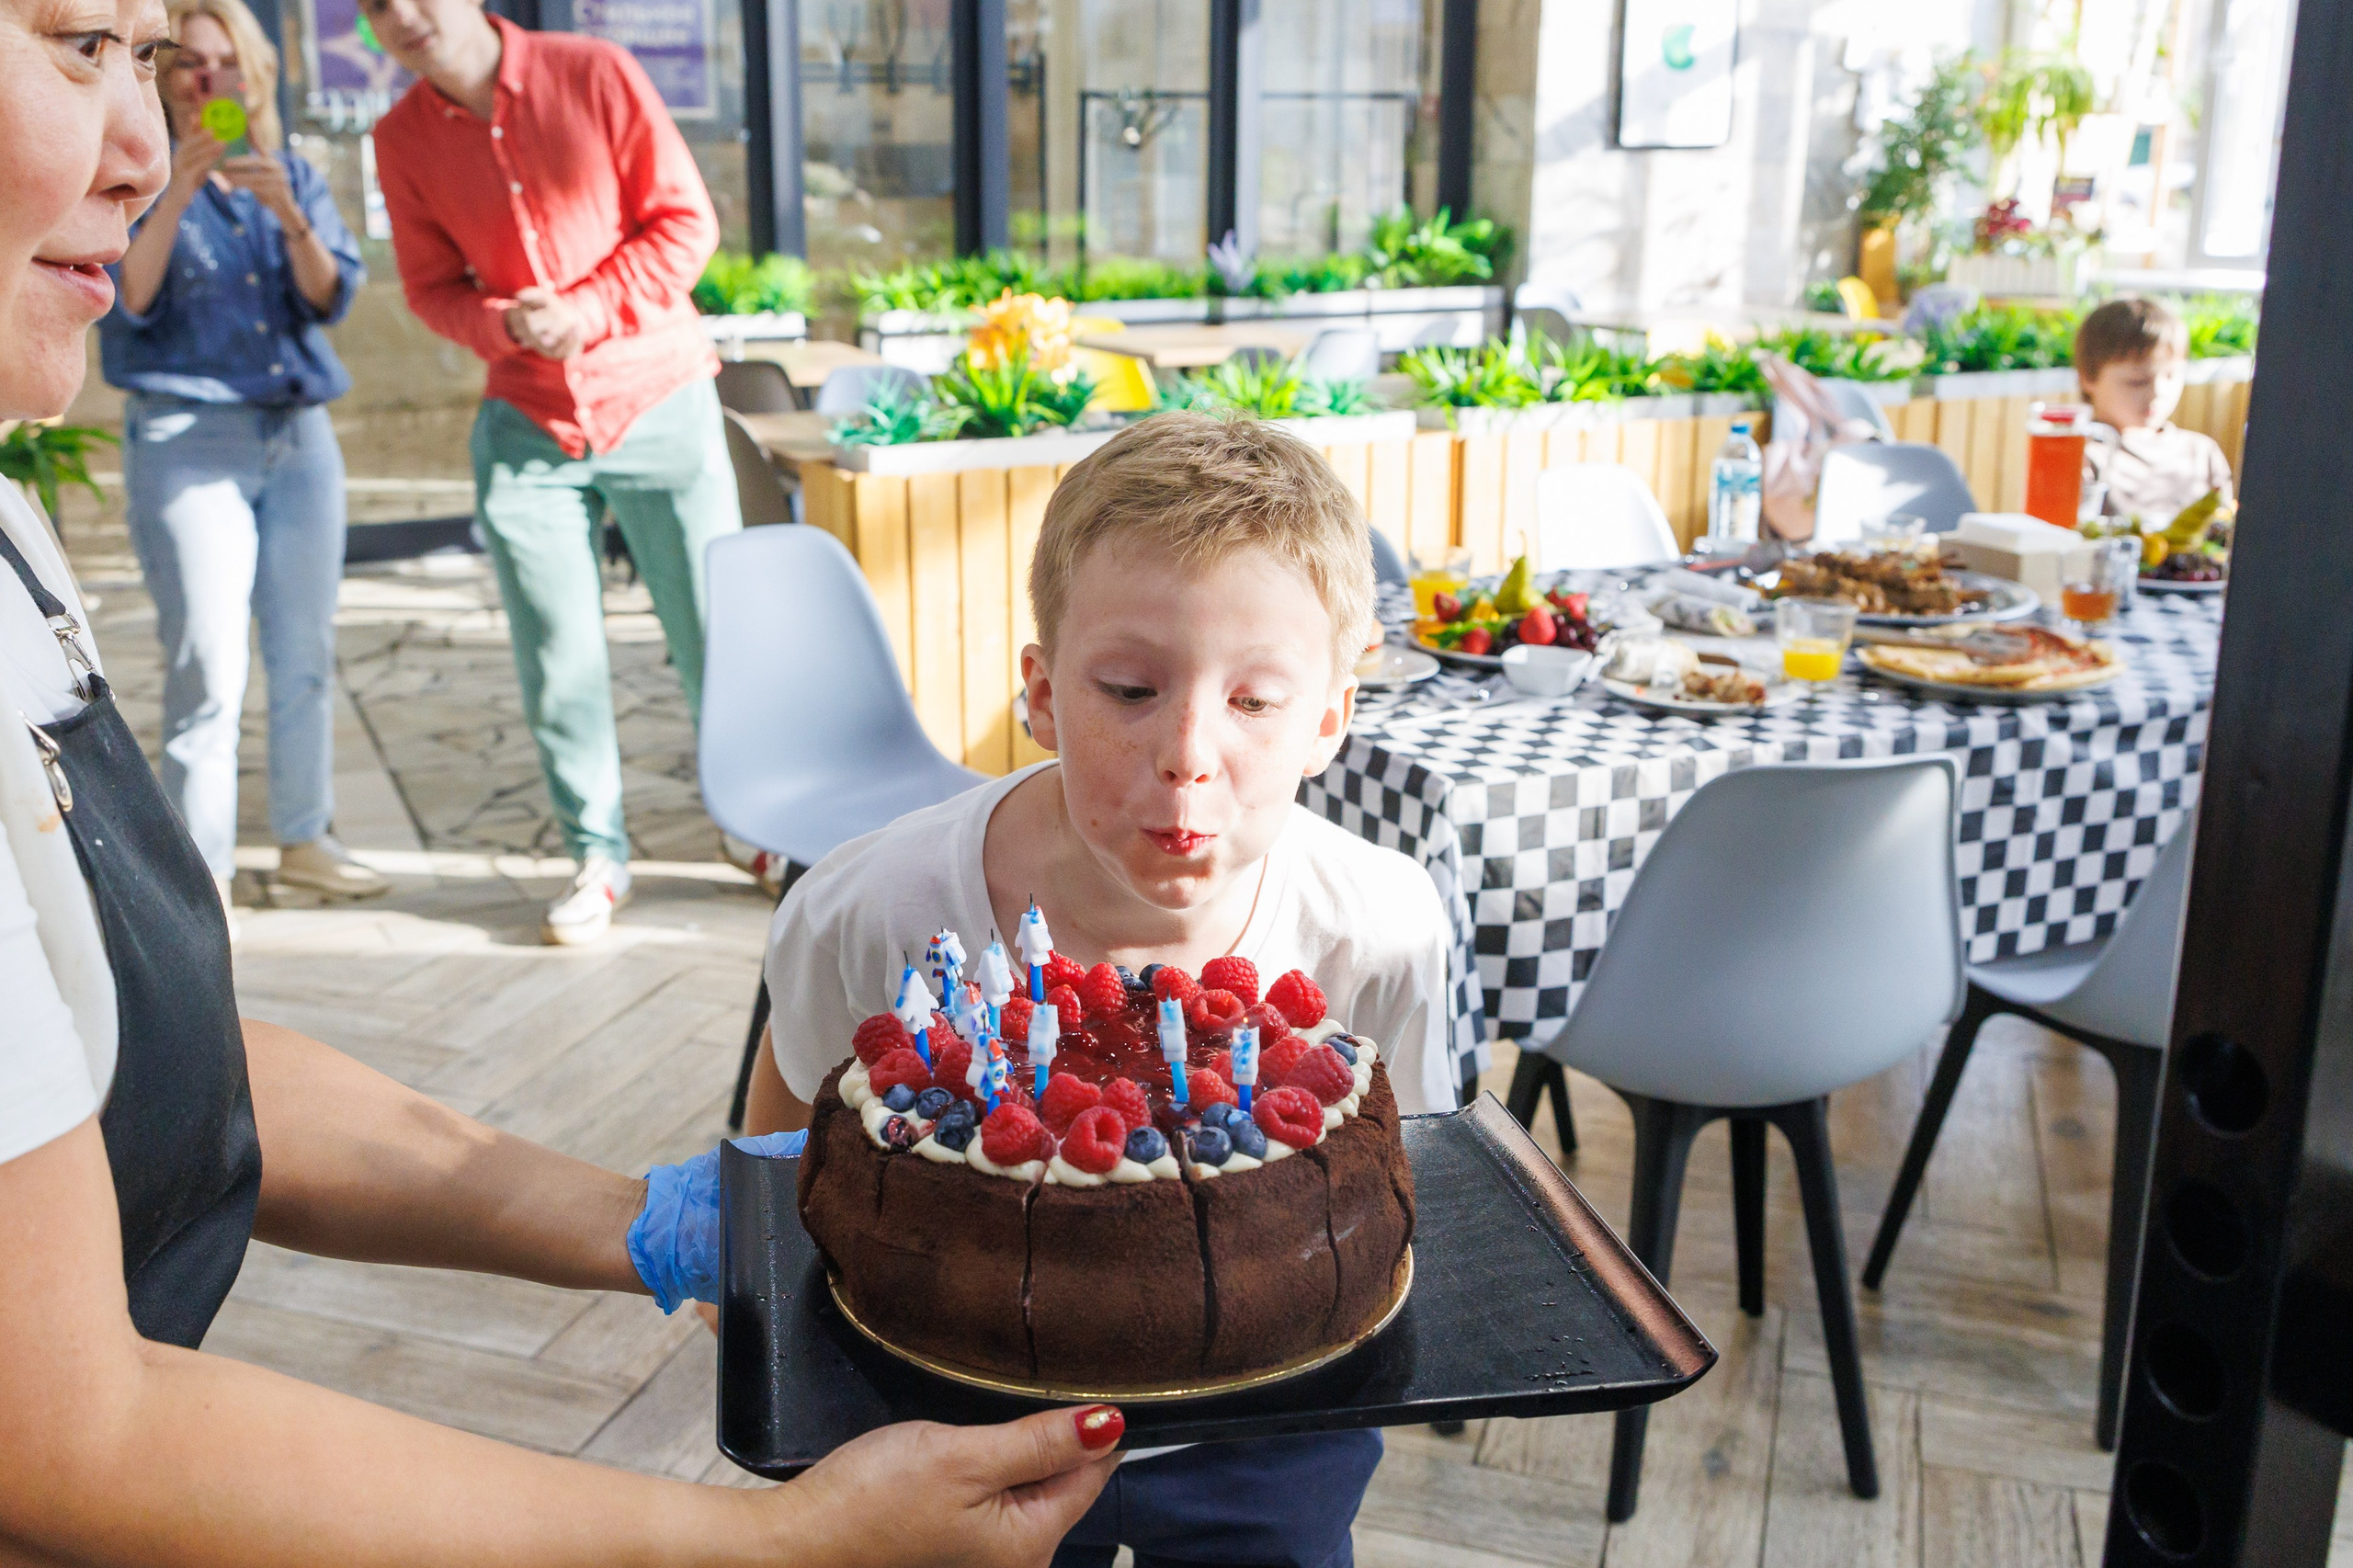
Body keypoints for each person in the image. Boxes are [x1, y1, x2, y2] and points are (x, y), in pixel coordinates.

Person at [0, 0, 1118, 1556]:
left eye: (139, 55)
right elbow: (65, 1431)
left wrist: (667, 1224)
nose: (141, 151)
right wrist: (777, 1548)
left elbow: (157, 1065)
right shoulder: (394, 145)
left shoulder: (13, 540)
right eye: (76, 44)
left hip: (638, 383)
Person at [748, 413, 1456, 1568]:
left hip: (1280, 1425)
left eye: (1256, 699)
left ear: (1333, 713)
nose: (1187, 750)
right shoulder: (871, 906)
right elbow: (787, 1153)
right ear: (1038, 690)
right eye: (1129, 687)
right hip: (947, 1420)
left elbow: (1398, 1176)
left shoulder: (1378, 926)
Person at [361, 0, 744, 946]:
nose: (402, 15)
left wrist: (584, 308)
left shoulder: (595, 73)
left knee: (716, 638)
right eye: (374, 3)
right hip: (527, 420)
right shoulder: (400, 136)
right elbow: (429, 288)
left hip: (656, 391)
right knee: (555, 656)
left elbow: (684, 224)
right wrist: (505, 326)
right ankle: (596, 852)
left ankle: (756, 826)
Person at [97, 0, 386, 913]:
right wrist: (178, 189)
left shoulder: (291, 172)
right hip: (188, 439)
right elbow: (127, 301)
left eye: (223, 63)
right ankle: (201, 878)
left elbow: (329, 296)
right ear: (160, 73)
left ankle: (305, 839)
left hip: (298, 437)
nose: (203, 79)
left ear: (248, 75)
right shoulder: (132, 179)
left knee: (303, 654)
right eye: (184, 62)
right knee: (209, 668)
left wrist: (288, 213)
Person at [2075, 296, 2236, 524]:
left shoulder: (2202, 453)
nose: (2158, 392)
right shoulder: (2083, 456)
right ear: (2088, 378)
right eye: (2137, 381)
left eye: (2171, 375)